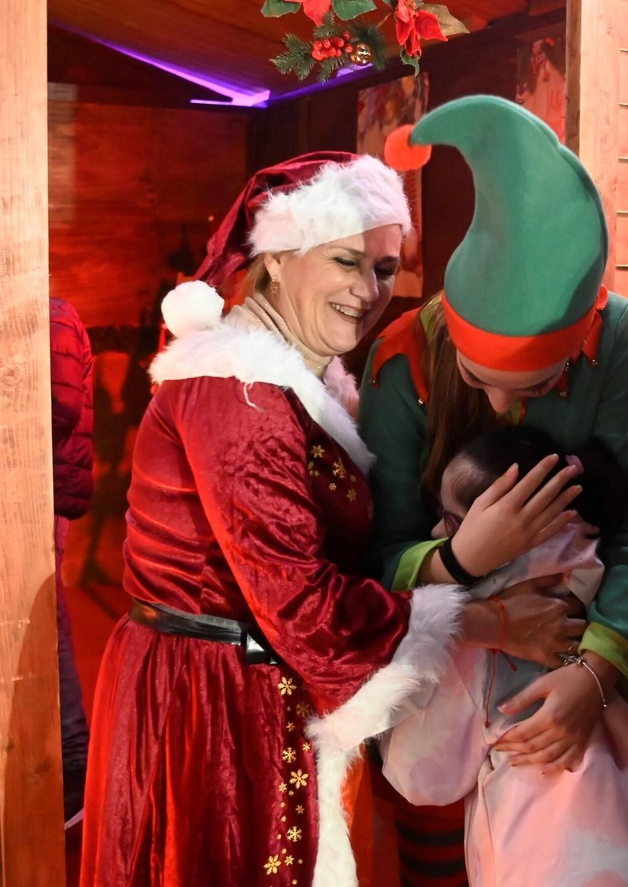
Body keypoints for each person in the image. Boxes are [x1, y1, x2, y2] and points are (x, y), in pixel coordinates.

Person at [78, 152, 584, 887]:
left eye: (384, 269)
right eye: (348, 260)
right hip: (213, 707)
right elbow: (304, 609)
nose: (367, 290)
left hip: (247, 686)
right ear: (279, 257)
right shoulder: (238, 391)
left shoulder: (304, 380)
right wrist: (475, 582)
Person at [360, 95, 628, 881]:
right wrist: (466, 573)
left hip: (590, 639)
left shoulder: (619, 338)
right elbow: (376, 555)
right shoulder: (400, 365)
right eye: (481, 381)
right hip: (450, 669)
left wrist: (595, 674)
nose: (508, 407)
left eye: (542, 382)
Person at [378, 424, 628, 887]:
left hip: (550, 866)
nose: (434, 533)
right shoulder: (619, 606)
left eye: (449, 523)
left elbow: (421, 777)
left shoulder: (486, 645)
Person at [50, 296, 96, 830]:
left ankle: (73, 766)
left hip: (46, 494)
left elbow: (56, 408)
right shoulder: (49, 314)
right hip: (48, 490)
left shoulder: (54, 314)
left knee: (53, 628)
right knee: (51, 625)